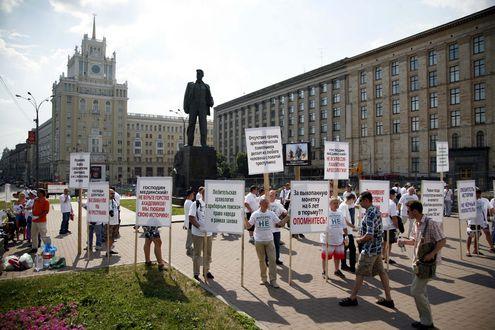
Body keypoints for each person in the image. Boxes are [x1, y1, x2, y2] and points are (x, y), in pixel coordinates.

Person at [339, 191, 394, 308]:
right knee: (382, 272)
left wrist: (359, 240)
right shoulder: (375, 210)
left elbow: (369, 234)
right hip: (377, 248)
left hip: (369, 249)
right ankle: (389, 299)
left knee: (359, 272)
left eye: (361, 201)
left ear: (367, 201)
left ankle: (352, 298)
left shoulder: (370, 213)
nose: (359, 204)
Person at [398, 200, 446, 329]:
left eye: (408, 211)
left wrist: (432, 254)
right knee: (421, 292)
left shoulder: (430, 223)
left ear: (415, 211)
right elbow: (415, 241)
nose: (406, 213)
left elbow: (442, 240)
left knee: (415, 291)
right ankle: (425, 320)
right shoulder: (416, 223)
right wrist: (404, 242)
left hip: (427, 264)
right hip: (417, 263)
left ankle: (427, 321)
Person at [244, 198, 288, 288]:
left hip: (269, 240)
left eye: (267, 204)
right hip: (259, 241)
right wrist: (244, 218)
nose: (267, 205)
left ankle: (273, 280)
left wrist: (288, 217)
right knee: (262, 261)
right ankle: (263, 279)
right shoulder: (255, 214)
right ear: (260, 204)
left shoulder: (271, 213)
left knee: (272, 260)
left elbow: (280, 223)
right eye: (265, 204)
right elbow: (248, 226)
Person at [183, 69, 214, 147]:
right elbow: (186, 97)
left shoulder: (206, 86)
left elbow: (209, 96)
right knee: (191, 125)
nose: (198, 75)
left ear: (202, 75)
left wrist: (211, 101)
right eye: (197, 74)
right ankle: (190, 143)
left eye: (199, 74)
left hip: (203, 107)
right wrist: (185, 107)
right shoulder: (191, 85)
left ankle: (203, 143)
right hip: (193, 106)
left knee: (203, 125)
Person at [189, 188, 214, 281]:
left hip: (209, 234)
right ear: (203, 194)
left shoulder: (212, 204)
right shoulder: (195, 203)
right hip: (198, 234)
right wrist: (200, 227)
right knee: (197, 254)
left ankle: (206, 271)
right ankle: (196, 273)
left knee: (208, 254)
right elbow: (191, 217)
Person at [322, 197, 348, 279]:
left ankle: (337, 270)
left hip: (339, 239)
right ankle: (324, 271)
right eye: (334, 203)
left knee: (338, 257)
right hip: (328, 240)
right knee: (325, 257)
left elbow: (344, 225)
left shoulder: (340, 213)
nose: (336, 205)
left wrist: (346, 236)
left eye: (337, 203)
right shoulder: (326, 213)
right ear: (330, 204)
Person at [466, 188, 495, 256]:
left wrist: (492, 215)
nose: (477, 195)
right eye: (476, 193)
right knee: (471, 235)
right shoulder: (470, 201)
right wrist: (467, 221)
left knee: (485, 233)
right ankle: (468, 250)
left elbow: (491, 208)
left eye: (478, 193)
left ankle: (490, 248)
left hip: (483, 221)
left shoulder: (485, 200)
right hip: (473, 221)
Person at [266, 190, 287, 265]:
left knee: (276, 246)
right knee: (267, 246)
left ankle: (277, 259)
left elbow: (284, 212)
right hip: (266, 229)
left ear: (275, 196)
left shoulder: (278, 204)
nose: (271, 196)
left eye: (272, 195)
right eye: (270, 195)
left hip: (276, 229)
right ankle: (266, 260)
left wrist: (283, 217)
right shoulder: (265, 203)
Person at [340, 193, 357, 273]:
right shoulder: (343, 206)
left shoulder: (345, 205)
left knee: (345, 249)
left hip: (347, 231)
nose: (353, 203)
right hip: (346, 232)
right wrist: (353, 226)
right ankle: (351, 266)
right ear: (351, 199)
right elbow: (344, 220)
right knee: (352, 249)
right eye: (353, 201)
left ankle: (344, 265)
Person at [30, 188, 50, 253]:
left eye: (38, 192)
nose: (37, 193)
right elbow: (33, 207)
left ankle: (48, 248)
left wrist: (38, 217)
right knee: (33, 234)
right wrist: (33, 213)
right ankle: (34, 248)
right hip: (34, 220)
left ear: (42, 193)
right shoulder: (36, 200)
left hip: (41, 221)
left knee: (43, 235)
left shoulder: (46, 201)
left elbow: (46, 211)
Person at [383, 189, 400, 265]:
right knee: (389, 243)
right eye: (394, 195)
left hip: (382, 225)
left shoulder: (382, 201)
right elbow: (394, 217)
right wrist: (397, 227)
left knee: (384, 242)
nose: (395, 196)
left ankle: (383, 256)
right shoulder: (392, 203)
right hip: (390, 226)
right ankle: (387, 258)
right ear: (391, 195)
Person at [106, 189, 120, 256]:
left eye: (113, 193)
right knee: (109, 237)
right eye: (111, 193)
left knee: (113, 237)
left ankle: (110, 249)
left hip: (115, 222)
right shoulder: (106, 201)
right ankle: (108, 251)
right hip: (110, 223)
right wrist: (109, 212)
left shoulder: (114, 200)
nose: (113, 195)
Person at [183, 189, 195, 256]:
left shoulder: (188, 201)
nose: (193, 195)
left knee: (191, 236)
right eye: (193, 194)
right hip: (190, 223)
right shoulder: (190, 203)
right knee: (190, 237)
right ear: (190, 195)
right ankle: (188, 249)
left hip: (189, 222)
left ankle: (190, 248)